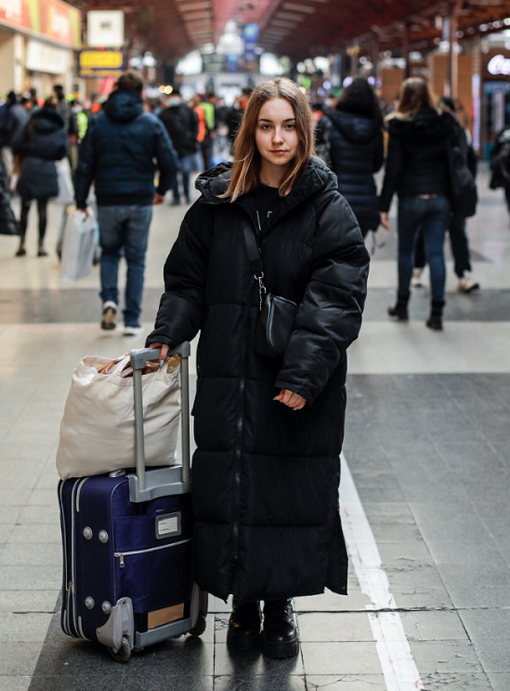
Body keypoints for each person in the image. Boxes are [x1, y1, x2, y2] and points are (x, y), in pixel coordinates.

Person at [146, 77, 370, 659]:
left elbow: (337, 301)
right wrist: (168, 337)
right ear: (251, 130)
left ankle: (279, 606)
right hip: (227, 374)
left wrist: (302, 374)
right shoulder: (216, 205)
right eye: (266, 126)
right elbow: (187, 282)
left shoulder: (328, 209)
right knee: (232, 485)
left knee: (287, 491)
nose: (277, 138)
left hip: (294, 381)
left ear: (304, 130)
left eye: (288, 126)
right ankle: (242, 604)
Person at [74, 71, 179, 336]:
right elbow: (170, 162)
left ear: (116, 89)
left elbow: (84, 165)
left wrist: (80, 199)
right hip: (140, 200)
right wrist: (161, 190)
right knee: (136, 259)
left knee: (110, 252)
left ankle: (109, 299)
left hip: (107, 199)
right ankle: (132, 319)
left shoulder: (98, 122)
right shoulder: (150, 123)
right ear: (141, 93)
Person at [379, 78, 456, 331]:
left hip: (411, 198)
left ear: (404, 97)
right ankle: (436, 314)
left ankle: (402, 306)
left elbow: (393, 169)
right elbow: (451, 165)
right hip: (439, 197)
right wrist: (453, 199)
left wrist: (384, 205)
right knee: (436, 254)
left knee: (405, 252)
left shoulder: (400, 127)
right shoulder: (444, 122)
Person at [413, 97, 479, 293]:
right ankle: (418, 270)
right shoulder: (437, 133)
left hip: (452, 193)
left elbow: (469, 164)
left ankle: (463, 273)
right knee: (429, 233)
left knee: (455, 232)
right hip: (439, 192)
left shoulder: (461, 134)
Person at [318, 78, 384, 239]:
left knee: (334, 255)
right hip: (365, 201)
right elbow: (377, 165)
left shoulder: (328, 123)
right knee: (356, 254)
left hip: (334, 199)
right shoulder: (375, 127)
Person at [15, 96, 67, 256]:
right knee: (42, 208)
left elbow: (16, 143)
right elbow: (62, 152)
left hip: (30, 166)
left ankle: (22, 244)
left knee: (25, 206)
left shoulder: (32, 124)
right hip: (47, 167)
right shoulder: (59, 128)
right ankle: (41, 246)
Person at [159, 90, 198, 205]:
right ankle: (176, 196)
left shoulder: (188, 111)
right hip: (171, 148)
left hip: (185, 147)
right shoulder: (165, 113)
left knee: (185, 171)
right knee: (174, 172)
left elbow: (195, 126)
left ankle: (186, 194)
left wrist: (192, 140)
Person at [0, 91, 29, 185]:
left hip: (9, 142)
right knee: (17, 166)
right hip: (20, 143)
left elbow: (6, 128)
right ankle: (14, 185)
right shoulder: (22, 110)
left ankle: (9, 185)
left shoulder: (11, 110)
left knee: (8, 165)